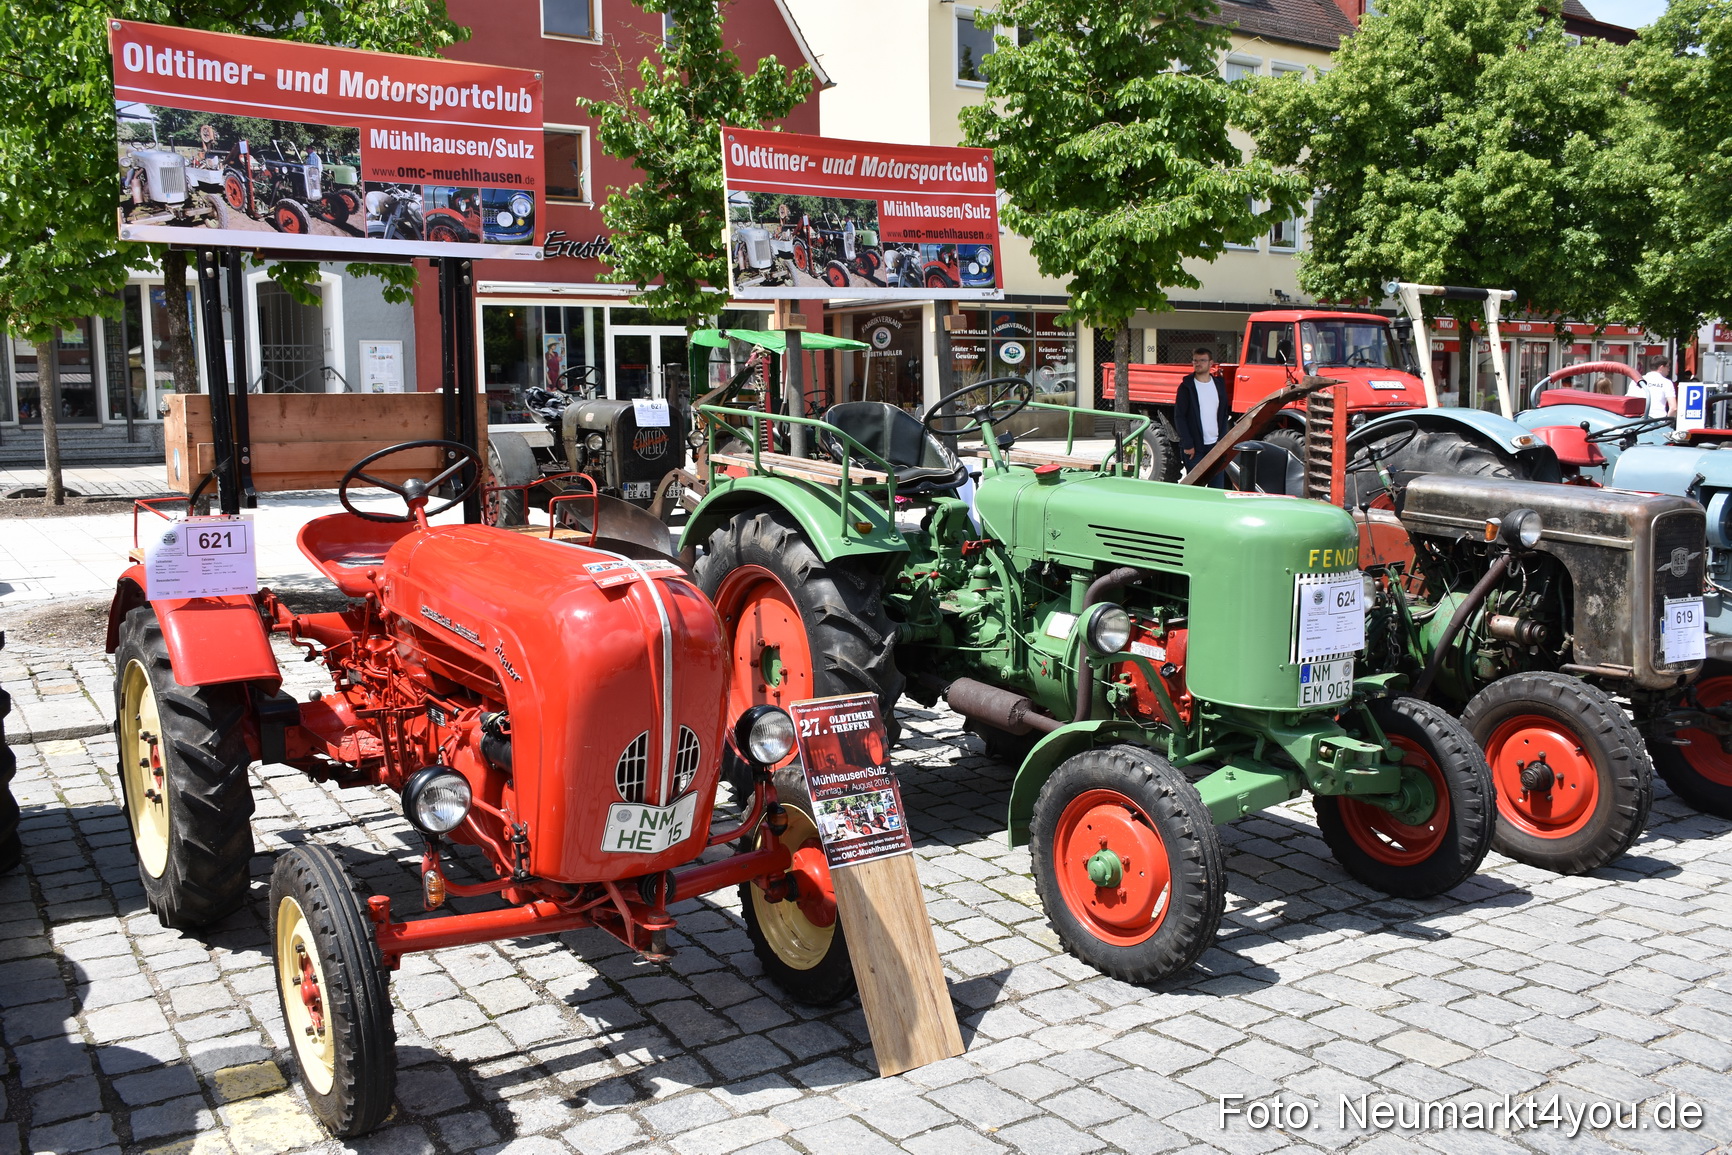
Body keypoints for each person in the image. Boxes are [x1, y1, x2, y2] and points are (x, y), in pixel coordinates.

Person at [1174, 347, 1231, 475]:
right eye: (1195, 361)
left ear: (1211, 363)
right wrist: (1188, 444)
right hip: (1195, 448)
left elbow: (1223, 415)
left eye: (1202, 360)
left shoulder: (1219, 385)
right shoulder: (1186, 387)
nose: (1198, 363)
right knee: (1196, 489)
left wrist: (1222, 442)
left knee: (1216, 487)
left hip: (1215, 446)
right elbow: (1180, 417)